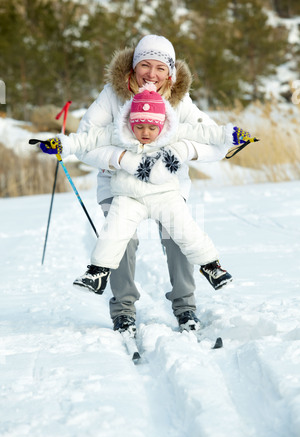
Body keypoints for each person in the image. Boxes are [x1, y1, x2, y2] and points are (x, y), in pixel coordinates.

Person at [40, 35, 247, 335]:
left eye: (160, 67)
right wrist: (122, 158)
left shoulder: (179, 99)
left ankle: (185, 306)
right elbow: (86, 142)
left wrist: (185, 151)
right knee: (123, 239)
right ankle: (123, 310)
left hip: (167, 185)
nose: (152, 74)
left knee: (178, 236)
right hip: (118, 183)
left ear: (171, 73)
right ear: (133, 67)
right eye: (145, 65)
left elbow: (213, 140)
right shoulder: (112, 95)